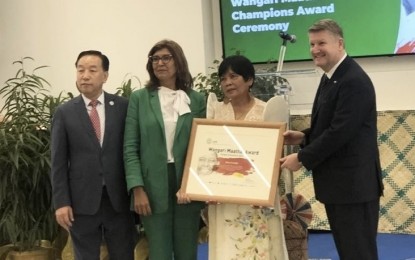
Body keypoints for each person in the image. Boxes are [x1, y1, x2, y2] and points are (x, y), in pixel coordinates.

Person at [280, 19, 384, 260]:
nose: (315, 49)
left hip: (354, 188)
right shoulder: (331, 76)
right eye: (312, 44)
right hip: (342, 186)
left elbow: (340, 133)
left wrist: (302, 157)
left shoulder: (353, 80)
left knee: (359, 253)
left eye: (321, 43)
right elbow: (333, 125)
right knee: (349, 251)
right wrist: (303, 136)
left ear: (339, 43)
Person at [123, 39, 206, 260]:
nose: (160, 63)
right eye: (155, 58)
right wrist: (137, 188)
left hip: (187, 184)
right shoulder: (139, 99)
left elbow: (203, 146)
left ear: (178, 62)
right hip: (151, 185)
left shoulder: (196, 99)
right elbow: (130, 147)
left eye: (166, 58)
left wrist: (195, 182)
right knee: (159, 252)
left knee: (186, 251)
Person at [51, 50, 136, 259]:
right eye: (80, 70)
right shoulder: (65, 112)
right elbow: (58, 162)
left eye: (92, 70)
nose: (85, 75)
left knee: (123, 254)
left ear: (105, 75)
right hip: (82, 202)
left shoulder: (124, 107)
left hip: (118, 200)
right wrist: (61, 202)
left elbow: (132, 150)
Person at [207, 55, 288, 260]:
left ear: (249, 80)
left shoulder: (266, 111)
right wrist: (208, 186)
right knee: (228, 248)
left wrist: (265, 190)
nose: (227, 83)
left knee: (259, 249)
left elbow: (276, 157)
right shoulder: (216, 113)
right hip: (224, 198)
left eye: (233, 76)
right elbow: (208, 155)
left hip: (259, 198)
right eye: (223, 79)